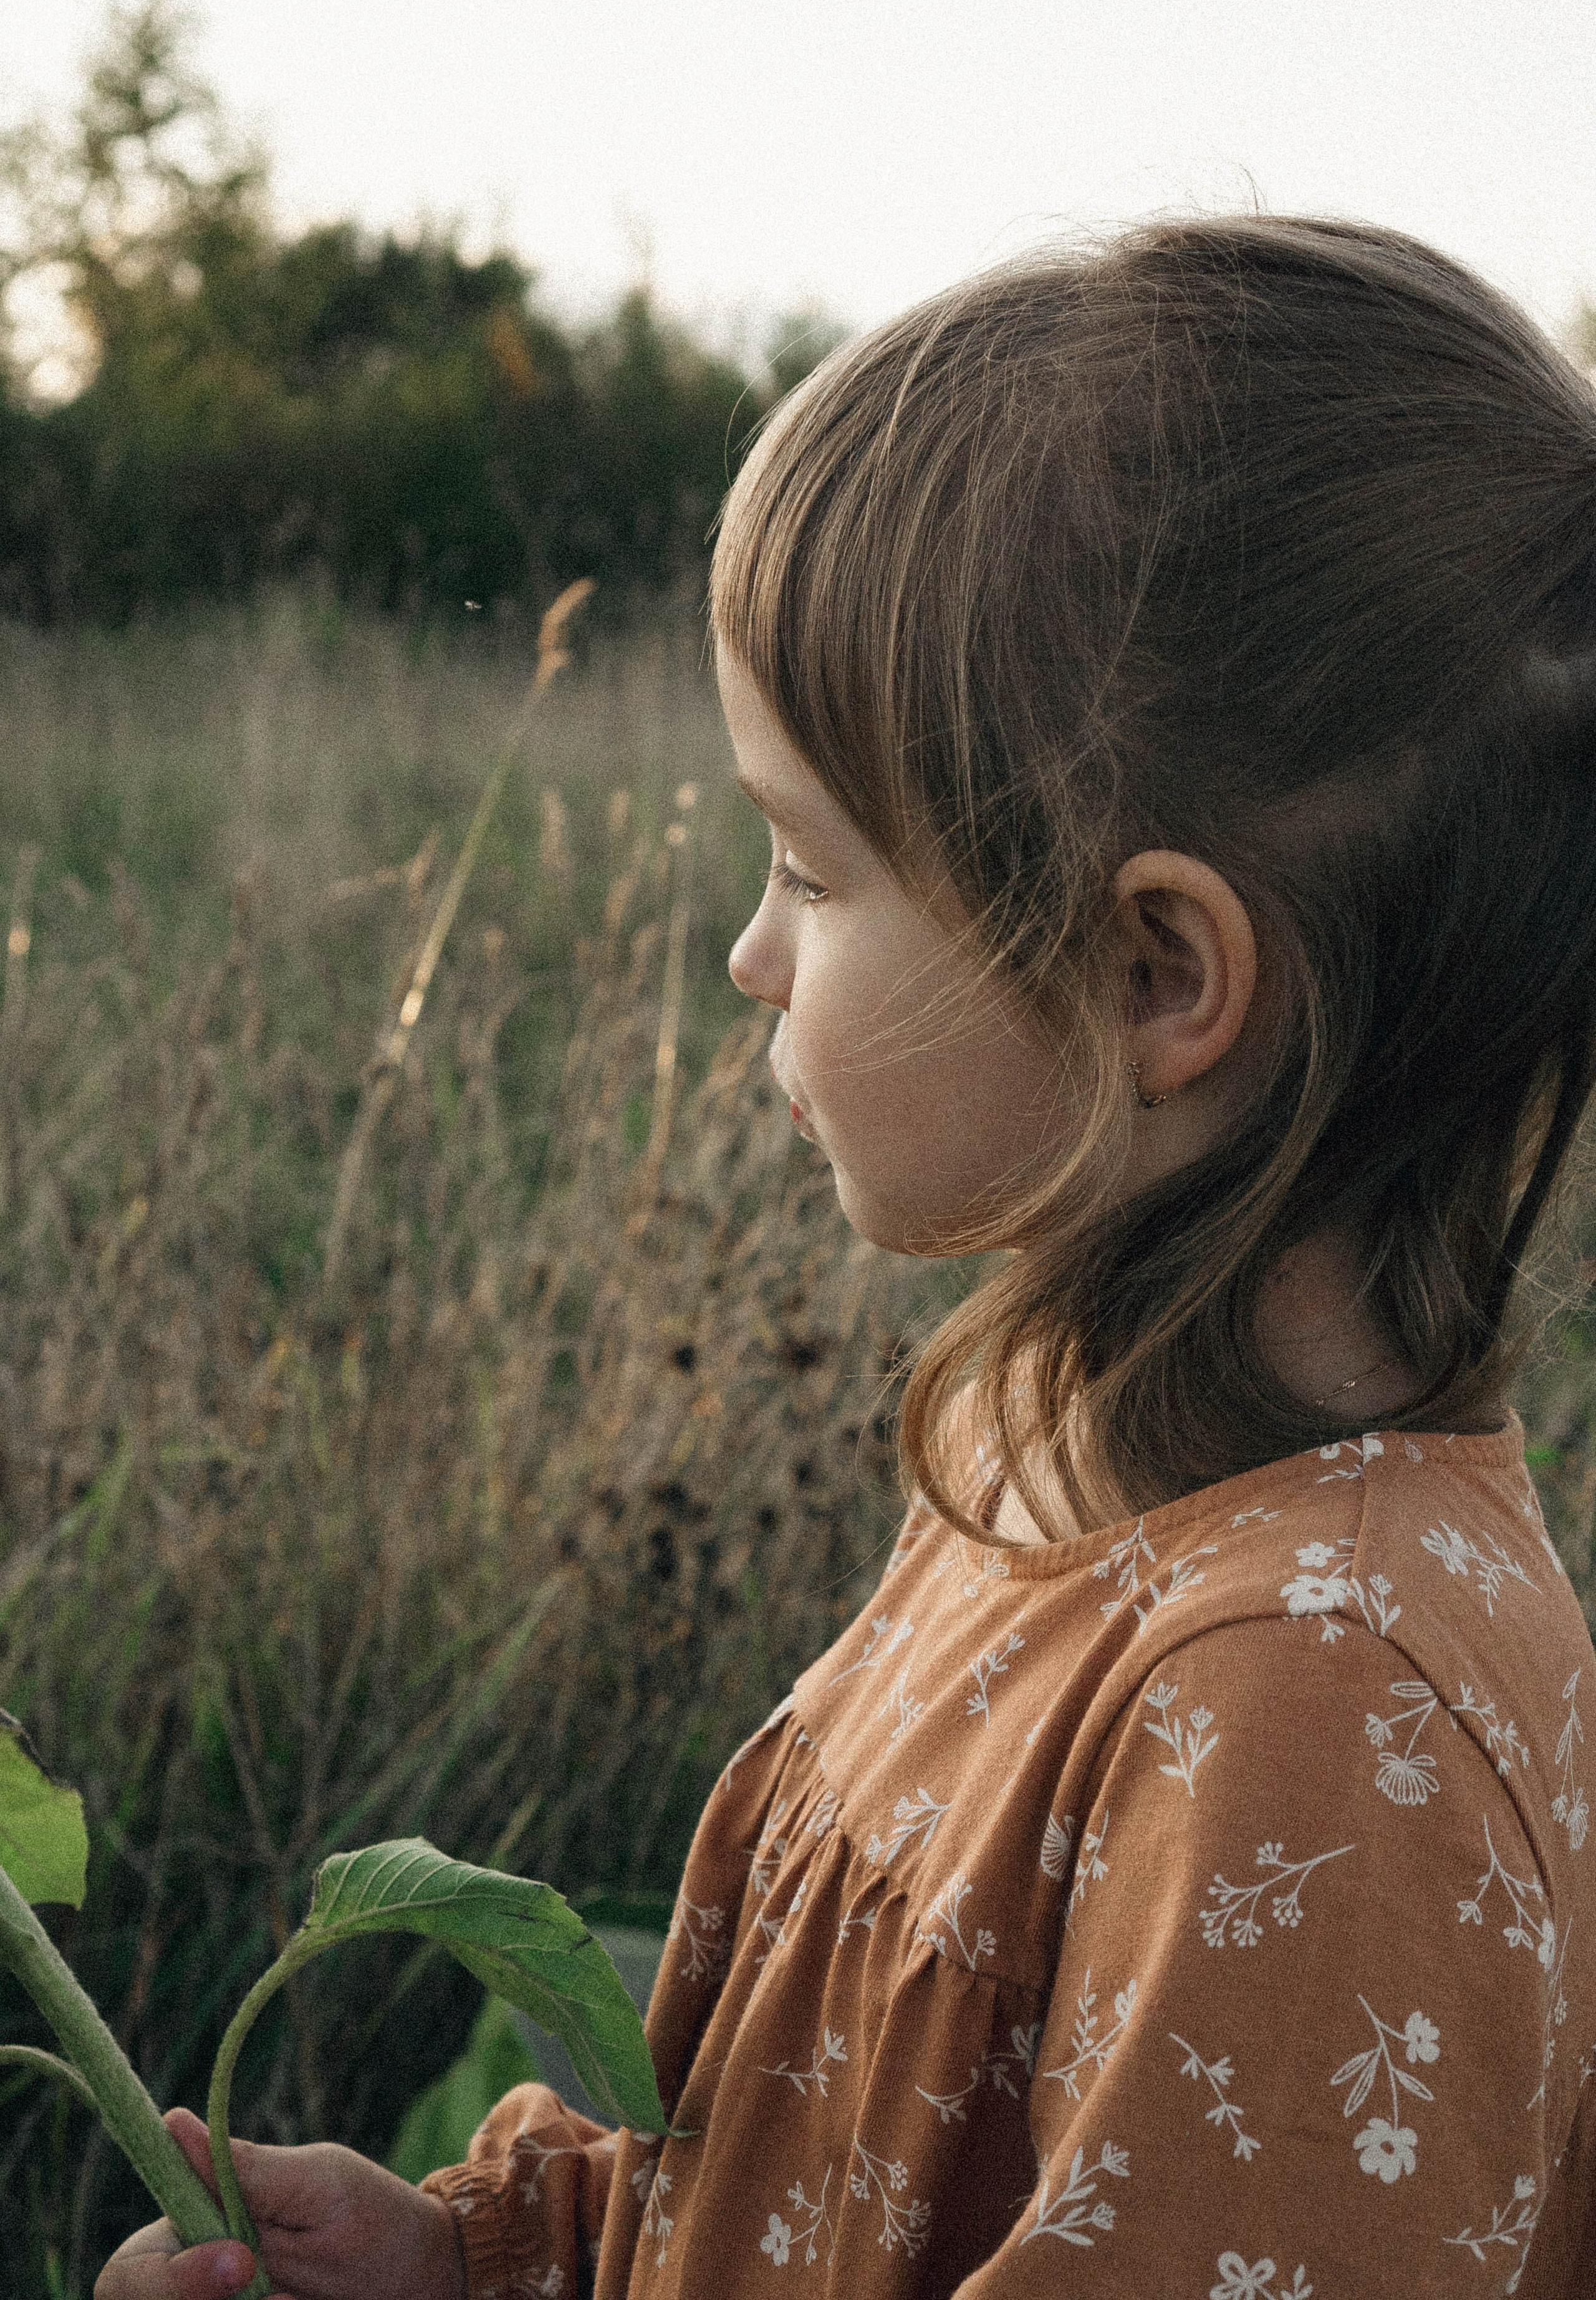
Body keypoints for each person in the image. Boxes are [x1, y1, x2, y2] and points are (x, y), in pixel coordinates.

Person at [100, 213, 1596, 2300]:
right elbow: (813, 2142)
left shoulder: (1322, 1710)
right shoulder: (1050, 1446)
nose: (750, 953)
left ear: (1154, 974)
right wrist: (483, 2258)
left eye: (811, 866)